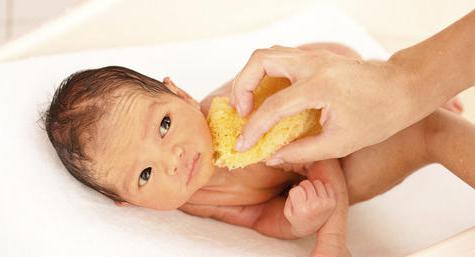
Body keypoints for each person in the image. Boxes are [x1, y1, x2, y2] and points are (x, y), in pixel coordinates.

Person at [43, 44, 474, 257]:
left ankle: (412, 95)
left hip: (329, 96)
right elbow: (260, 217)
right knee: (419, 135)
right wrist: (299, 220)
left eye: (165, 124)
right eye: (145, 175)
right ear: (129, 202)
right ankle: (416, 103)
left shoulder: (232, 110)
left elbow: (314, 146)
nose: (172, 158)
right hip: (326, 160)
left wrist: (331, 238)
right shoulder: (194, 203)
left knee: (431, 129)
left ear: (180, 94)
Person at [231, 10, 475, 166]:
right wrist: (414, 81)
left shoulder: (222, 105)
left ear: (189, 99)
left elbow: (322, 167)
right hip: (347, 107)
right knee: (431, 131)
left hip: (332, 88)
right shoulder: (204, 199)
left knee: (432, 131)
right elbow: (261, 217)